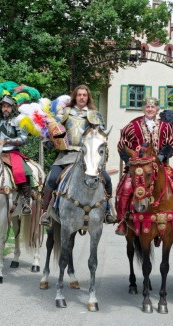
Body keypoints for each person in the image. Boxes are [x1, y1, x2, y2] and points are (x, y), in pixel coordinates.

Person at [40, 85, 115, 226]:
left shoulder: (94, 114)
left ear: (88, 97)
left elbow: (102, 135)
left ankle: (108, 211)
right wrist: (49, 141)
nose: (81, 97)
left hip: (87, 157)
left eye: (84, 95)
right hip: (65, 155)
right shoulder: (65, 113)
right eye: (79, 95)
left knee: (106, 179)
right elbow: (53, 130)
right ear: (75, 96)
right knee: (52, 179)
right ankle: (46, 212)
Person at [115, 97, 173, 236]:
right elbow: (122, 145)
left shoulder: (166, 127)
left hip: (162, 166)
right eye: (147, 107)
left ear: (157, 110)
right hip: (138, 168)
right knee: (125, 188)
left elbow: (172, 143)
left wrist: (161, 156)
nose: (150, 109)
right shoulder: (131, 126)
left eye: (153, 107)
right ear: (143, 109)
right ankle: (122, 222)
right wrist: (129, 162)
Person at [0, 94, 33, 214]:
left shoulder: (18, 120)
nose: (6, 109)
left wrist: (7, 141)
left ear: (12, 107)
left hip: (11, 152)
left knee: (23, 172)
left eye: (8, 106)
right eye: (4, 106)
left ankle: (26, 201)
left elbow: (23, 138)